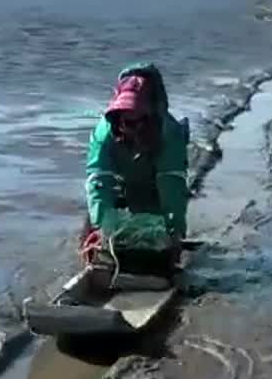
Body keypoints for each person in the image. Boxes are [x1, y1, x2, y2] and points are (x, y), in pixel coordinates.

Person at [80, 63, 190, 274]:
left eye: (142, 120)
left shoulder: (170, 134)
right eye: (128, 123)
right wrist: (100, 227)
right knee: (98, 229)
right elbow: (99, 180)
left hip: (154, 187)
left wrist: (174, 231)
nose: (136, 127)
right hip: (119, 185)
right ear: (117, 119)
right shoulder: (103, 135)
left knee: (156, 242)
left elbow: (171, 183)